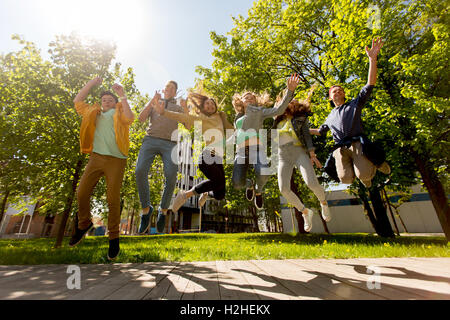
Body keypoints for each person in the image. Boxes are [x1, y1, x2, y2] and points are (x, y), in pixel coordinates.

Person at [310, 37, 390, 188]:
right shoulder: (330, 116)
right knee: (345, 179)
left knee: (364, 175)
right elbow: (320, 131)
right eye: (335, 91)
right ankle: (364, 172)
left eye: (341, 90)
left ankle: (376, 164)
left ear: (344, 94)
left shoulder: (354, 104)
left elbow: (370, 83)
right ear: (330, 96)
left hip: (357, 144)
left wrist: (372, 59)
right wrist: (302, 130)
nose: (338, 92)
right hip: (340, 148)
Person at [69, 77, 135, 260]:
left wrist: (122, 97)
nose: (107, 101)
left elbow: (130, 118)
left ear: (114, 103)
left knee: (112, 198)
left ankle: (114, 237)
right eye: (104, 99)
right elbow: (77, 101)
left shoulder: (119, 112)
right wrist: (90, 84)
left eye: (110, 100)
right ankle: (84, 224)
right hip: (96, 158)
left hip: (116, 159)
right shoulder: (92, 112)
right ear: (100, 102)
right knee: (81, 192)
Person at [153, 92, 234, 212]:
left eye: (212, 104)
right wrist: (164, 112)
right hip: (207, 155)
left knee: (219, 194)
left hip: (218, 159)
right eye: (207, 104)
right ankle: (185, 195)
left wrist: (224, 118)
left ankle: (205, 191)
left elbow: (231, 130)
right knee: (218, 181)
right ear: (202, 107)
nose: (210, 105)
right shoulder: (201, 118)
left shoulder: (219, 116)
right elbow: (184, 118)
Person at [231, 74, 301, 210]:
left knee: (264, 173)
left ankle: (258, 190)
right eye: (247, 97)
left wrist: (289, 91)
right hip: (241, 152)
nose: (250, 99)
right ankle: (250, 184)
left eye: (252, 98)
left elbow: (279, 110)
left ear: (256, 102)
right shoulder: (238, 116)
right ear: (241, 101)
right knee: (237, 183)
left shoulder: (260, 111)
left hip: (256, 148)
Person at [273, 88, 331, 232]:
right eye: (288, 99)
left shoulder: (301, 118)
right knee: (284, 189)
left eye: (294, 100)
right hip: (282, 155)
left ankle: (323, 202)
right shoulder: (277, 118)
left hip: (299, 152)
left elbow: (306, 136)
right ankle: (305, 211)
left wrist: (312, 155)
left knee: (311, 182)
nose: (291, 101)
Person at [135, 81, 189, 234]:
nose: (170, 90)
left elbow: (189, 126)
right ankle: (146, 209)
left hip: (170, 143)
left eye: (173, 88)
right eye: (168, 87)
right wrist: (152, 101)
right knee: (139, 170)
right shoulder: (155, 102)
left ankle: (163, 210)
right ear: (164, 90)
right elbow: (141, 118)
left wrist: (185, 108)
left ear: (175, 92)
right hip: (150, 139)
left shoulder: (178, 107)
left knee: (171, 176)